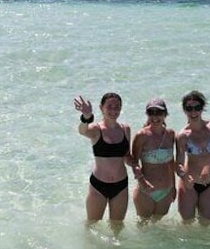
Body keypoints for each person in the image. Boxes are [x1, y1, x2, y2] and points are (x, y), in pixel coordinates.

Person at [74, 93, 133, 231]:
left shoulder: (125, 129)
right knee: (92, 226)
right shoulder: (96, 129)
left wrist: (137, 166)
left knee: (117, 228)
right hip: (98, 186)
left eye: (117, 107)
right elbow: (82, 131)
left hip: (121, 185)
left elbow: (126, 156)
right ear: (101, 108)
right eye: (109, 106)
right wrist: (86, 117)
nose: (113, 110)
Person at [174, 91, 210, 226]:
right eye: (189, 108)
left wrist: (209, 165)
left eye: (197, 107)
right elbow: (179, 163)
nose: (193, 112)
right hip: (189, 185)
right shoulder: (182, 135)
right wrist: (183, 176)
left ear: (202, 108)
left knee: (207, 224)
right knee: (186, 223)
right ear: (184, 110)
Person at [130, 98, 176, 223]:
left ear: (165, 114)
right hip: (146, 192)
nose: (155, 117)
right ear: (147, 115)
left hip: (166, 191)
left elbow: (171, 162)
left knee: (158, 231)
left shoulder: (170, 134)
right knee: (143, 229)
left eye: (159, 113)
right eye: (151, 113)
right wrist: (142, 181)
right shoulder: (141, 136)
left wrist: (174, 186)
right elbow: (134, 163)